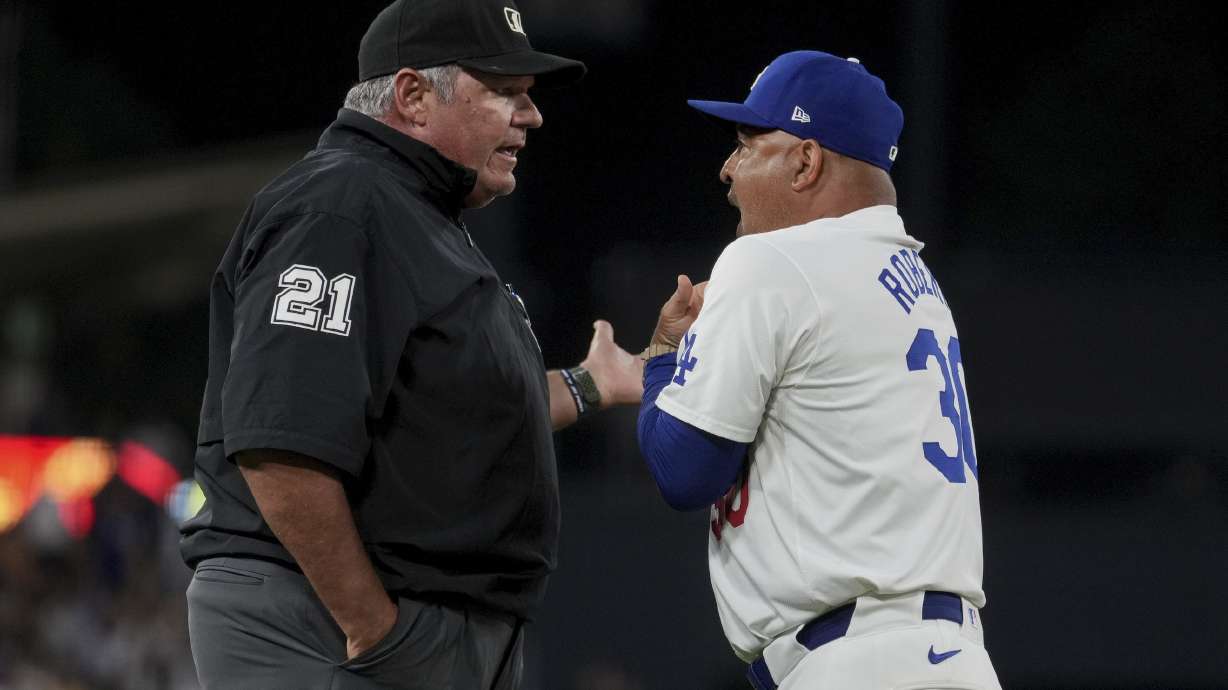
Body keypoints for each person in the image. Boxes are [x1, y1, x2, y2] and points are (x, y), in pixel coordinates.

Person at [178, 1, 642, 688]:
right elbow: (281, 443)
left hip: (403, 624)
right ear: (413, 96)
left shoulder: (411, 214)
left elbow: (452, 415)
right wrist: (372, 625)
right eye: (505, 91)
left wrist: (589, 383)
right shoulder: (339, 205)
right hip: (319, 620)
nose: (532, 115)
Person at [636, 51, 1002, 690]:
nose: (728, 168)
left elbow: (685, 470)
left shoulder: (770, 261)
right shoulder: (917, 283)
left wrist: (662, 363)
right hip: (951, 656)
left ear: (805, 161)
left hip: (860, 661)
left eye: (748, 144)